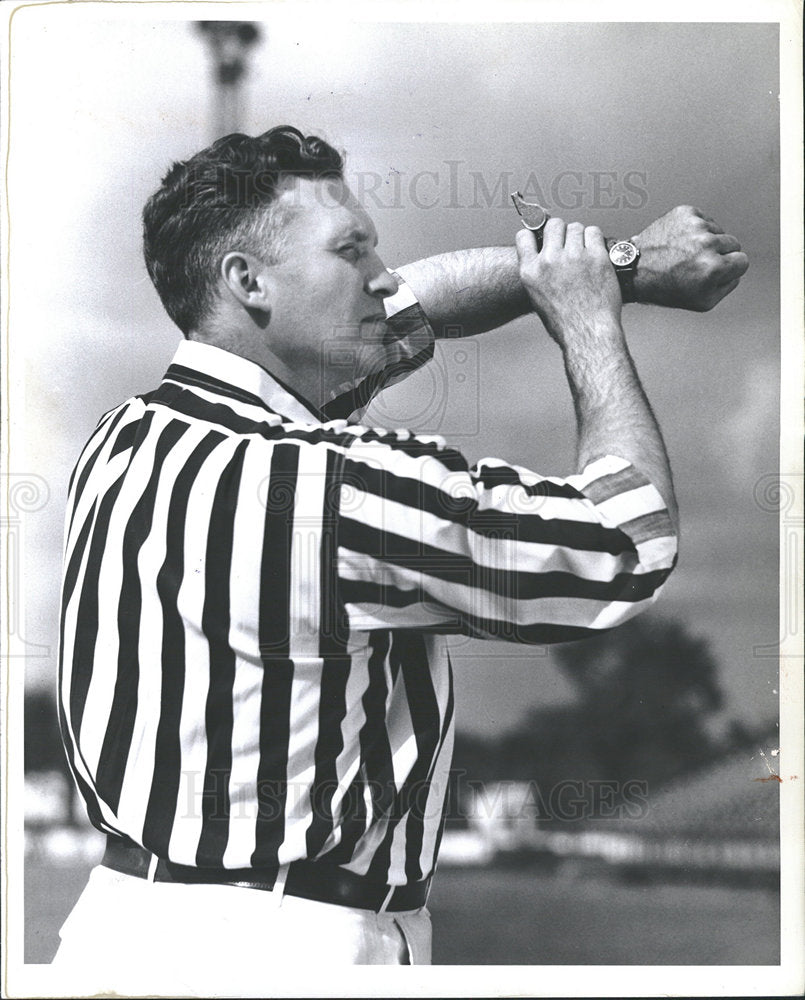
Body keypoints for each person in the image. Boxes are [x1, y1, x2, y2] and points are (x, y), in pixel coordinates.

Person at [54, 126, 747, 987]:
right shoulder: (337, 483)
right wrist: (587, 318)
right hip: (288, 949)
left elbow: (411, 300)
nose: (383, 273)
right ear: (246, 281)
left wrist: (619, 261)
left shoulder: (125, 438)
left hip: (115, 932)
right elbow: (623, 543)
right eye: (351, 250)